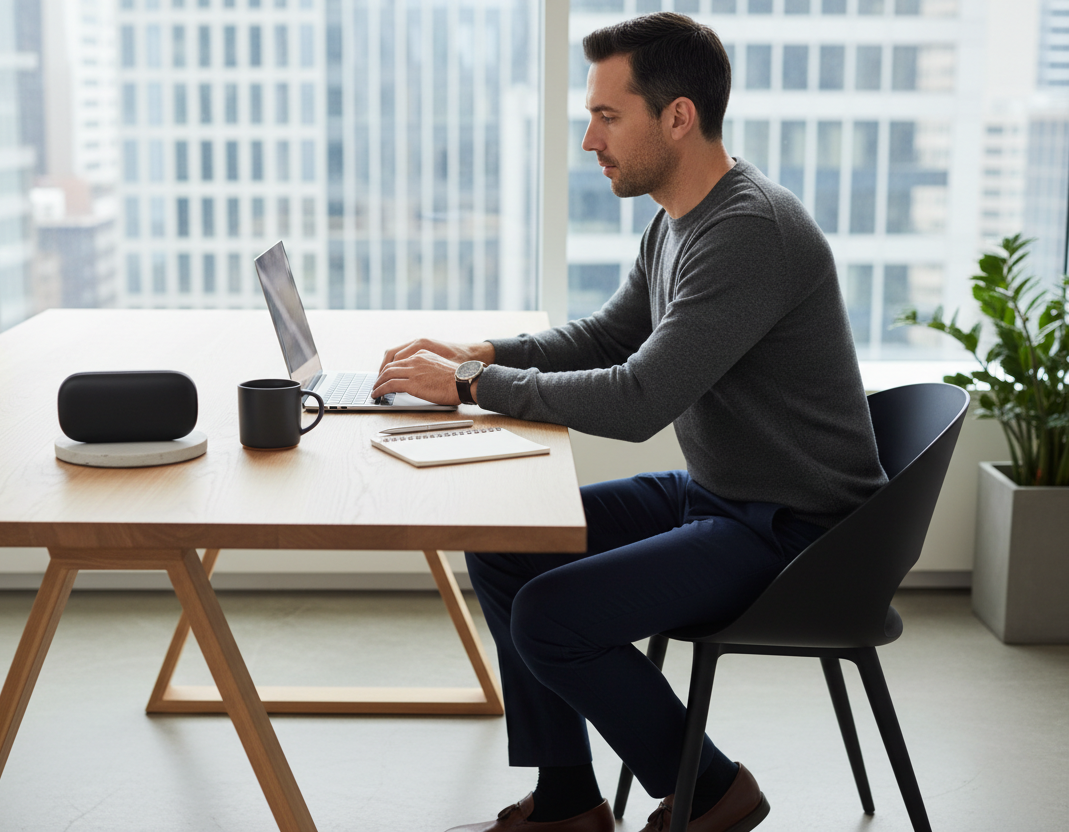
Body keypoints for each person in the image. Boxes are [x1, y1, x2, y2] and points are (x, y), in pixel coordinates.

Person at [371, 12, 887, 832]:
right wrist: (481, 351)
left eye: (607, 116)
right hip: (725, 495)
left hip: (796, 533)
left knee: (551, 616)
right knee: (507, 537)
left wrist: (471, 384)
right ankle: (570, 803)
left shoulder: (747, 232)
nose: (588, 140)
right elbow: (611, 337)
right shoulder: (680, 219)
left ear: (677, 116)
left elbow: (638, 397)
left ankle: (712, 790)